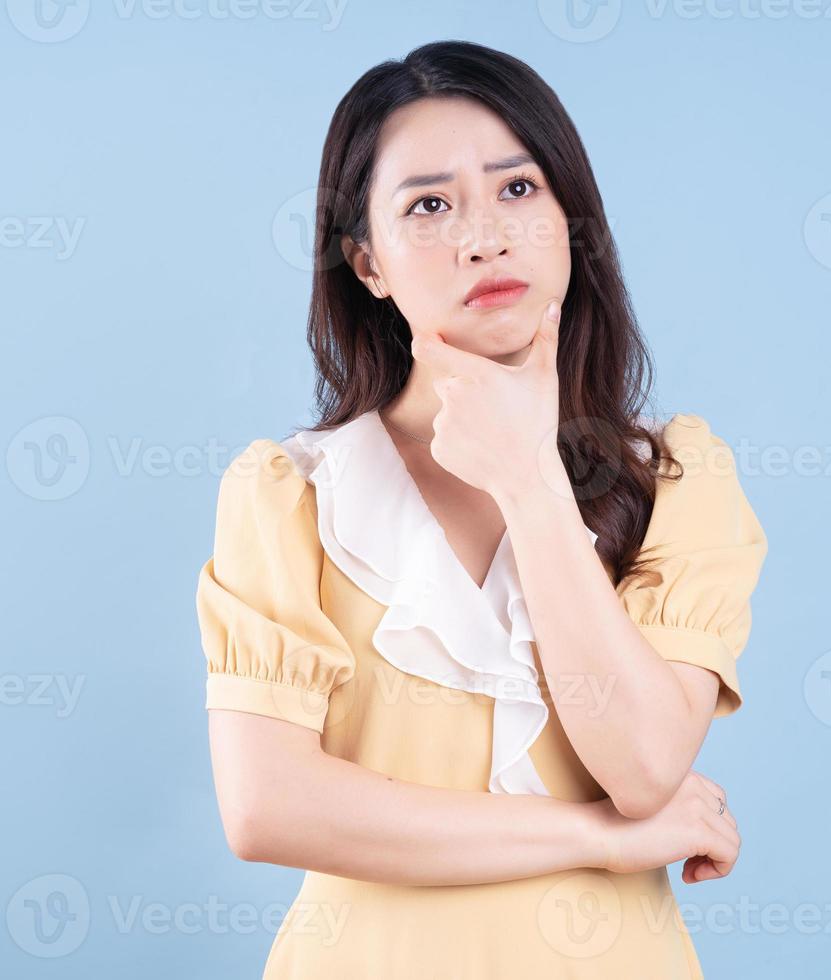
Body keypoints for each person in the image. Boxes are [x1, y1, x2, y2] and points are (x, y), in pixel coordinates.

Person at [195, 39, 769, 979]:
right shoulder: (289, 495)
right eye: (428, 205)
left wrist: (531, 482)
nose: (483, 237)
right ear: (367, 262)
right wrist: (594, 838)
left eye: (517, 189)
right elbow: (268, 808)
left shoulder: (675, 475)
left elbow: (645, 764)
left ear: (570, 219)